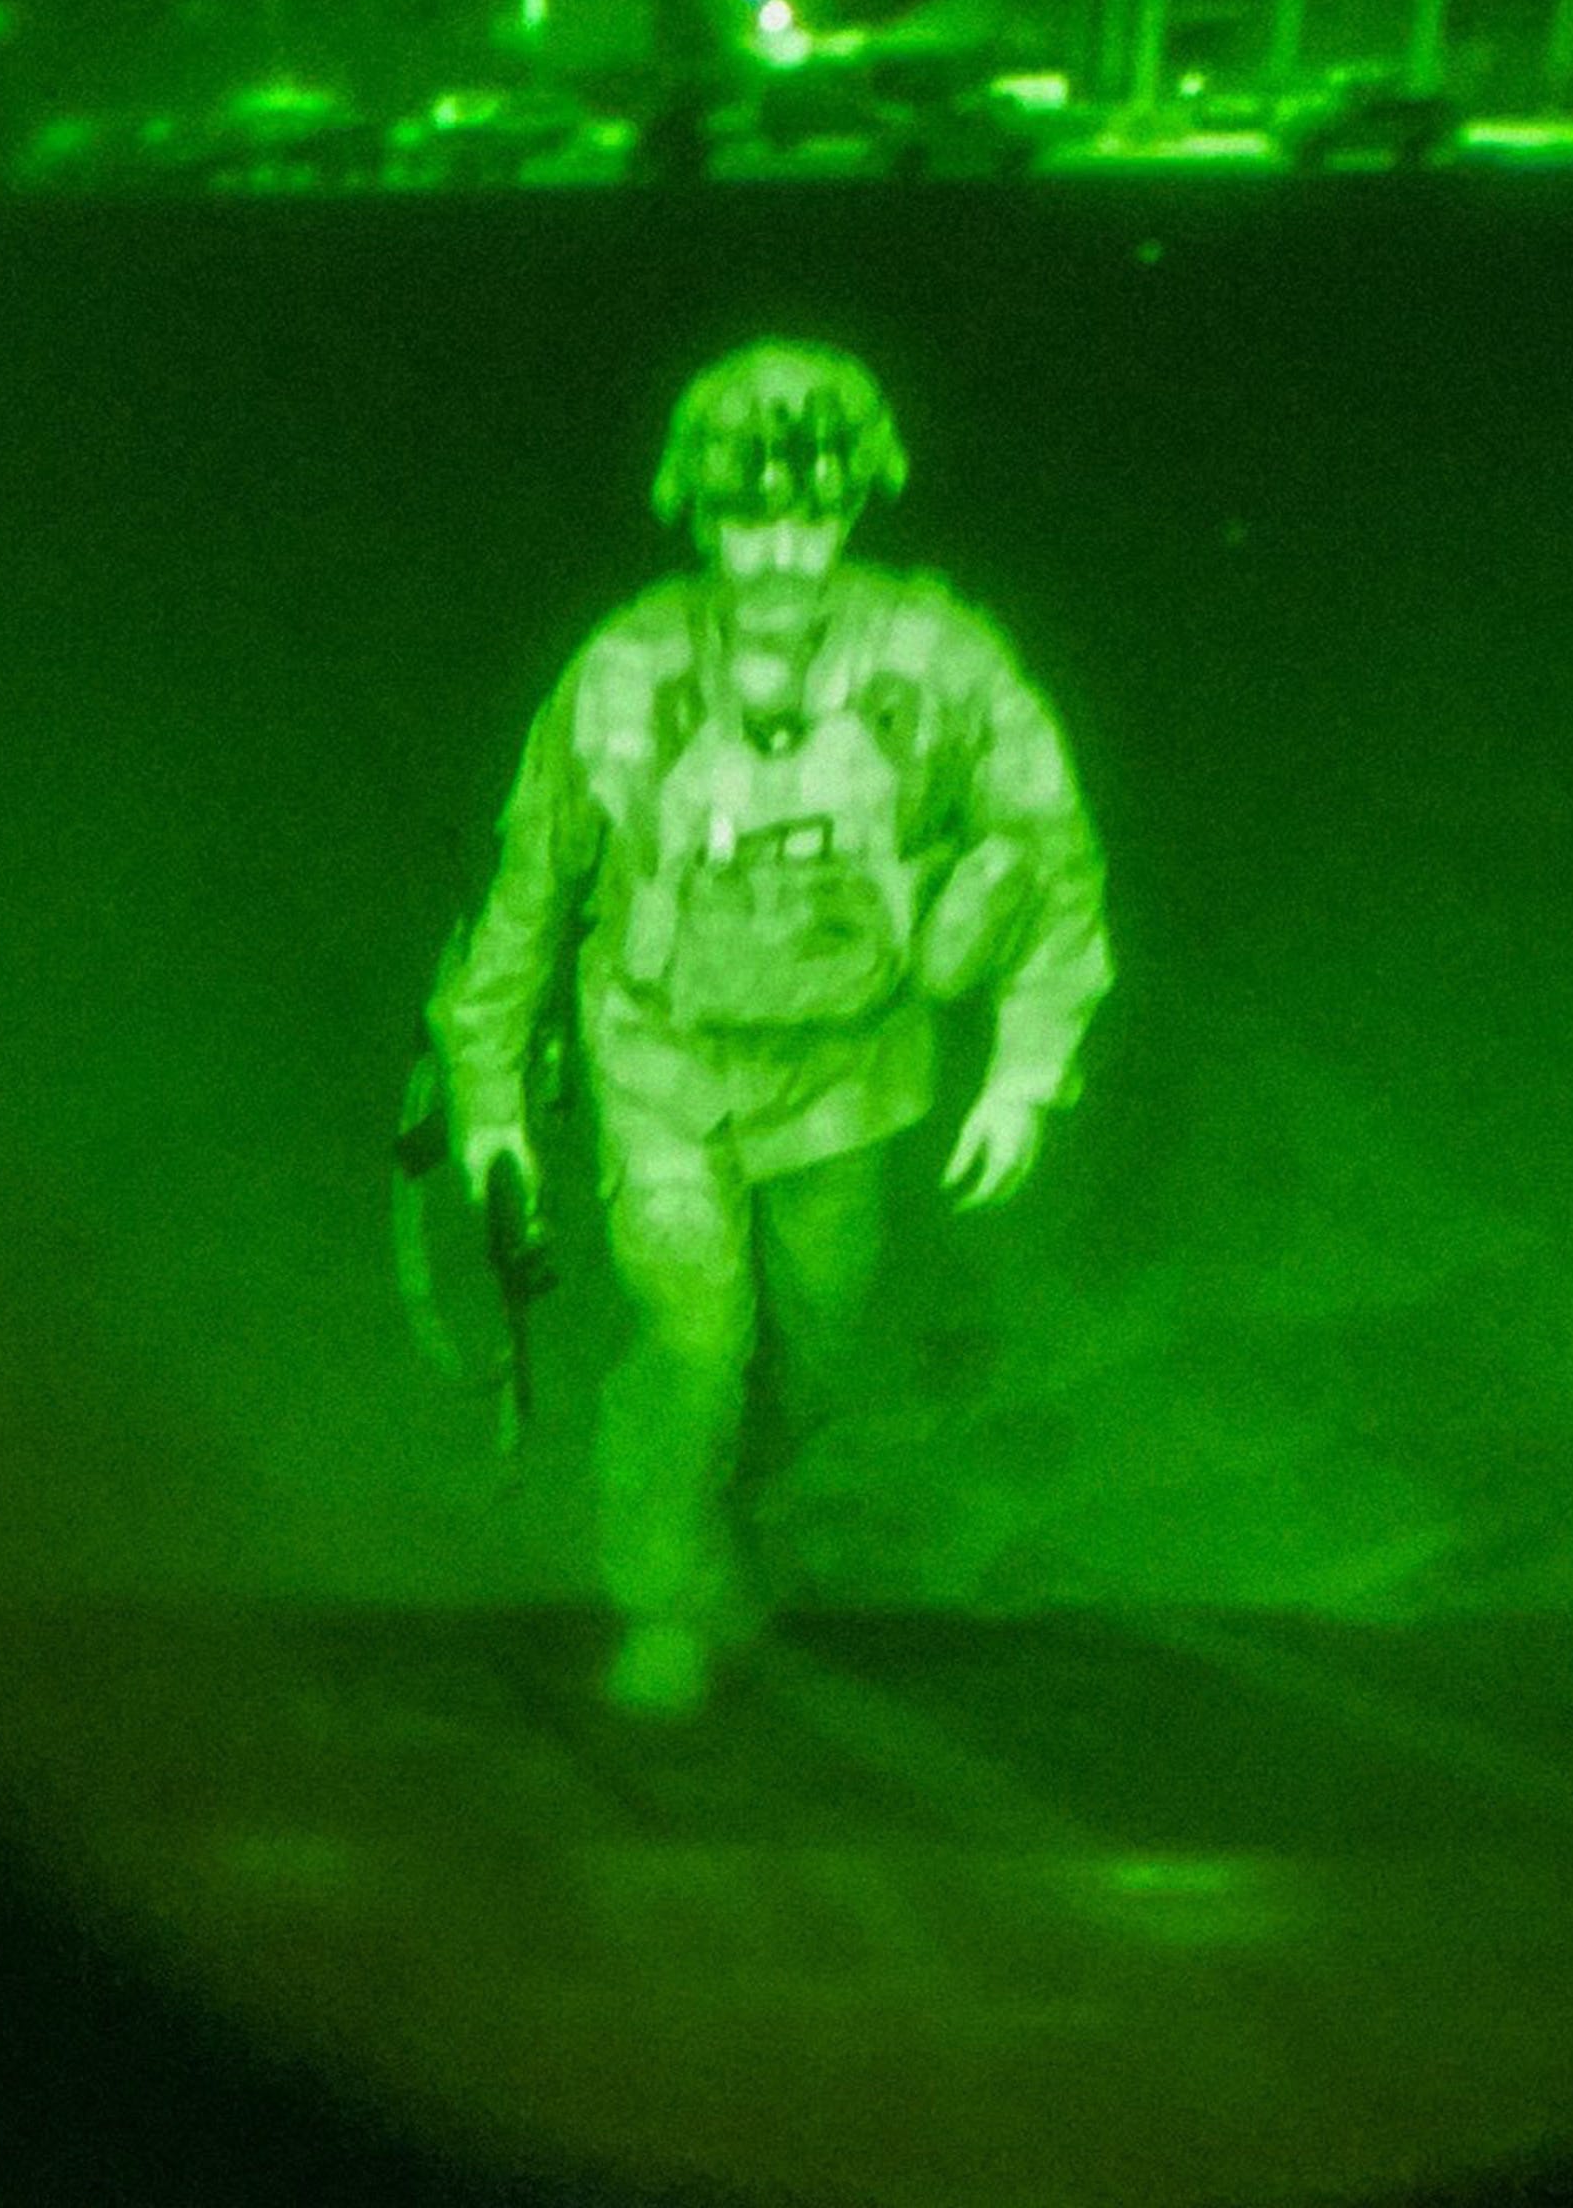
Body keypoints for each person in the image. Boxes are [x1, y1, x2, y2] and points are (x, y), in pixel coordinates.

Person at [428, 340, 1114, 1719]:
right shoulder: (623, 671)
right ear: (697, 511)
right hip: (661, 1064)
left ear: (859, 503)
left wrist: (1026, 1072)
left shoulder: (943, 661)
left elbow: (1048, 855)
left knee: (810, 1353)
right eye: (749, 516)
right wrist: (488, 1095)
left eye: (812, 511)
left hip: (851, 1078)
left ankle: (719, 1513)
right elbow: (531, 885)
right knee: (693, 1341)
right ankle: (667, 1600)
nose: (783, 548)